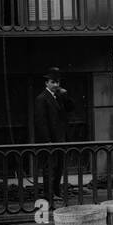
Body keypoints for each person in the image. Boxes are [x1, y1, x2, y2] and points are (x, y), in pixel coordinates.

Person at [33, 68, 75, 208]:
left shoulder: (60, 96)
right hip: (50, 141)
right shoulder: (42, 98)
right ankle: (48, 197)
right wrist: (48, 141)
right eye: (53, 82)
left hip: (61, 139)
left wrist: (66, 95)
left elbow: (71, 108)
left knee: (59, 169)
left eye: (57, 82)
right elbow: (41, 122)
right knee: (50, 169)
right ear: (47, 83)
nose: (56, 85)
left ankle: (56, 193)